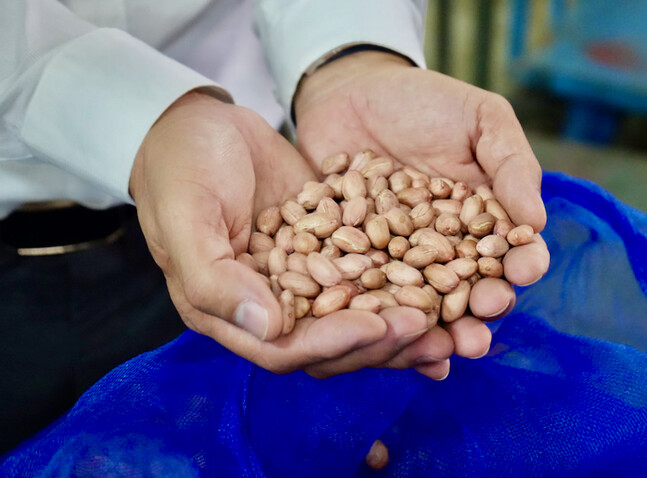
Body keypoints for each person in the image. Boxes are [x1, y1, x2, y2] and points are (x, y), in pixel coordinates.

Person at [0, 0, 549, 453]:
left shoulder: (300, 229)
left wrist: (350, 54)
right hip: (22, 269)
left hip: (234, 211)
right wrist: (149, 123)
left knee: (227, 445)